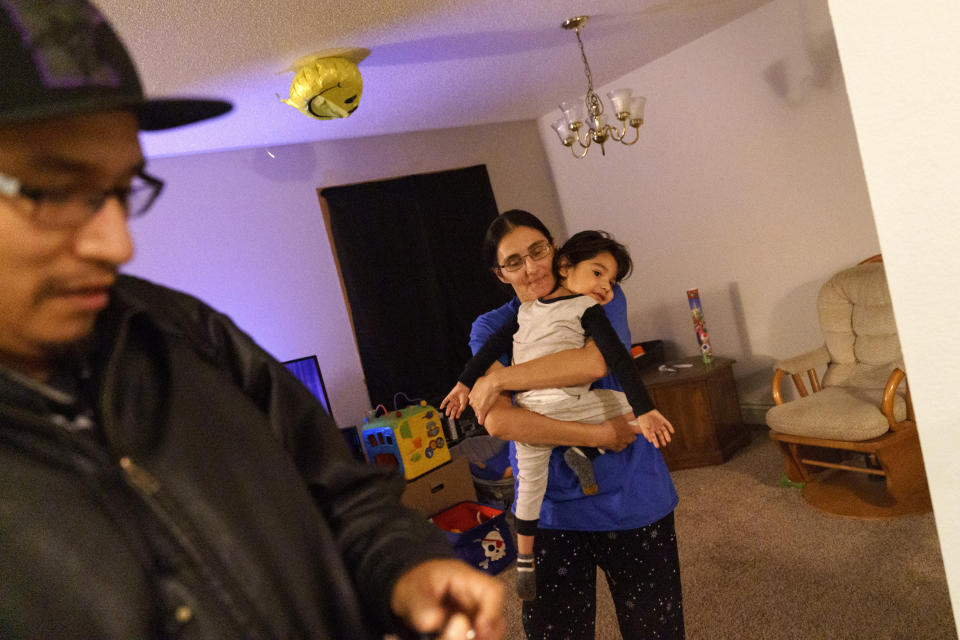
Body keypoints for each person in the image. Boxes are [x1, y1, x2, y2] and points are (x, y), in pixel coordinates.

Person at [0, 2, 504, 639]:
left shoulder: (180, 330)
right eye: (55, 192)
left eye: (123, 191)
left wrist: (405, 567)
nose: (117, 244)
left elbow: (344, 491)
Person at [463, 210, 685, 639]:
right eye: (514, 261)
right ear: (500, 274)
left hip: (633, 498)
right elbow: (500, 420)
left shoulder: (598, 290)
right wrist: (598, 436)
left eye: (538, 251)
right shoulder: (490, 327)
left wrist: (499, 378)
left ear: (556, 250)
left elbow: (592, 361)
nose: (531, 268)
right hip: (550, 514)